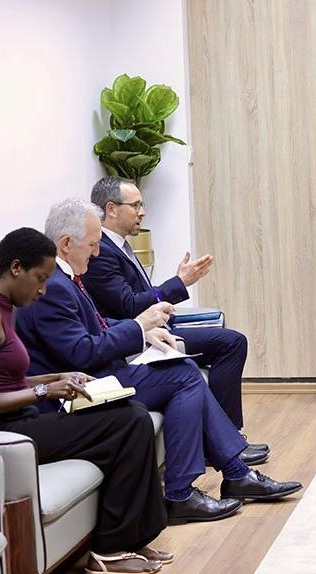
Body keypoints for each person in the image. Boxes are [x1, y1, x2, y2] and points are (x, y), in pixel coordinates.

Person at [15, 199, 301, 525]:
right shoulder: (53, 286)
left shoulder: (63, 279)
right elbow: (81, 352)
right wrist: (139, 326)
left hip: (98, 376)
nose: (96, 253)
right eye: (92, 245)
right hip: (78, 392)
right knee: (183, 376)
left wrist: (144, 333)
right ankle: (198, 487)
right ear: (66, 244)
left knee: (184, 371)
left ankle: (220, 479)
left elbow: (94, 325)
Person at [0, 227, 169, 574]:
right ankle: (108, 550)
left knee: (133, 411)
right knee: (128, 422)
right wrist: (45, 392)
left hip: (18, 419)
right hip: (2, 433)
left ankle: (133, 537)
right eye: (40, 279)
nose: (42, 289)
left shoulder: (3, 307)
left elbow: (6, 381)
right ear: (16, 268)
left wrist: (57, 377)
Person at [82, 176, 250, 430]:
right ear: (112, 209)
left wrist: (172, 290)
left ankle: (227, 436)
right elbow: (129, 306)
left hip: (157, 328)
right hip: (137, 339)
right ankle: (229, 435)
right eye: (136, 205)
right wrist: (178, 283)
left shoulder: (119, 245)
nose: (143, 212)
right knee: (231, 343)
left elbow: (139, 296)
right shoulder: (102, 251)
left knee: (230, 340)